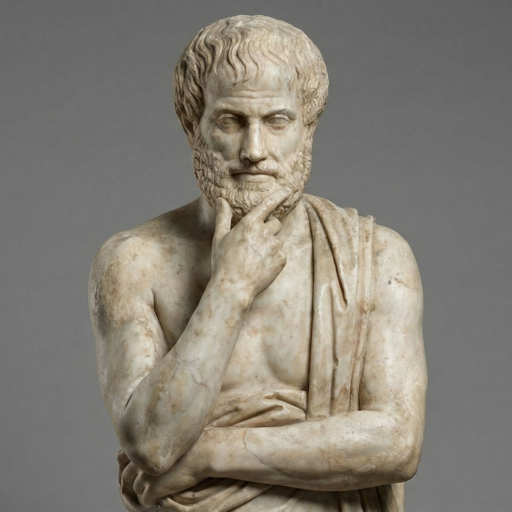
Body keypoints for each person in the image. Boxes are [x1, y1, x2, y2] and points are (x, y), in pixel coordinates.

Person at [89, 15, 427, 512]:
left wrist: (208, 455)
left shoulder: (376, 258)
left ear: (307, 127)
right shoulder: (134, 262)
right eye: (230, 121)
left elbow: (397, 443)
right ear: (193, 126)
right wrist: (230, 289)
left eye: (277, 121)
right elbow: (153, 442)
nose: (254, 151)